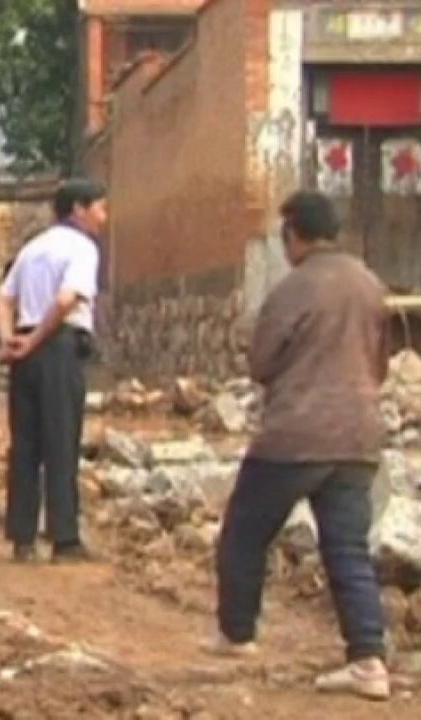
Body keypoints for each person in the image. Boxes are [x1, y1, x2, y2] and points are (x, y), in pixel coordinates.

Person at [209, 190, 391, 701]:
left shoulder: (293, 290)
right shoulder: (369, 283)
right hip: (358, 437)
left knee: (245, 533)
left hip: (295, 437)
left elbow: (262, 362)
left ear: (295, 235)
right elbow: (380, 360)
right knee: (348, 549)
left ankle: (236, 633)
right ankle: (367, 659)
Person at [0, 179, 106, 564]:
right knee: (61, 442)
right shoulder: (82, 248)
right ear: (78, 208)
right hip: (57, 346)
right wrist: (39, 338)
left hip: (25, 351)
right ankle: (64, 538)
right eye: (99, 208)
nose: (102, 218)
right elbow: (65, 300)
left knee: (25, 444)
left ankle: (22, 537)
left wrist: (11, 340)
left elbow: (3, 298)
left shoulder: (32, 248)